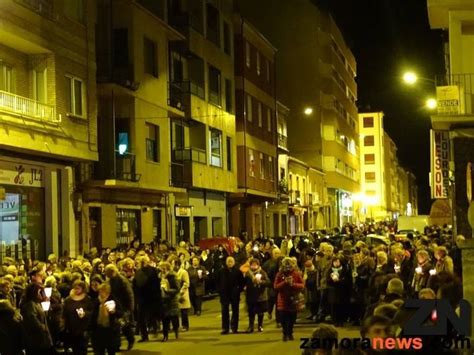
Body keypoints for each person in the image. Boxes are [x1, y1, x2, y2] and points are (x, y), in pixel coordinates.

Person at [105, 264, 135, 350]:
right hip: (114, 305)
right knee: (116, 326)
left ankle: (131, 340)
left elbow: (129, 294)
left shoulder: (122, 280)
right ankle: (116, 344)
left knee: (125, 325)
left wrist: (130, 308)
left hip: (123, 306)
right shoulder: (110, 280)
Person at [274, 257, 304, 341]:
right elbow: (275, 286)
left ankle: (290, 332)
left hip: (293, 298)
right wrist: (284, 282)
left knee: (292, 318)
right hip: (283, 298)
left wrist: (293, 284)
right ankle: (285, 333)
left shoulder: (296, 273)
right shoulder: (279, 274)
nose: (288, 268)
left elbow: (302, 285)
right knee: (283, 318)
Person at [133, 255, 161, 342]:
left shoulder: (152, 271)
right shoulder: (139, 272)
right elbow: (135, 284)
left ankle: (153, 330)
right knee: (142, 317)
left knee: (151, 315)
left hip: (150, 297)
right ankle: (145, 335)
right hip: (143, 297)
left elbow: (156, 284)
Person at [20, 283, 54, 355]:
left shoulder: (37, 303)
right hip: (37, 339)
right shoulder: (30, 304)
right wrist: (43, 327)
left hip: (41, 337)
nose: (41, 294)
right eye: (39, 292)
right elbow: (33, 320)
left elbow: (43, 316)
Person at [90, 283, 122, 355]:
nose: (101, 293)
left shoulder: (113, 300)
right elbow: (92, 315)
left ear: (107, 292)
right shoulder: (96, 301)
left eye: (103, 291)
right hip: (98, 329)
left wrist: (114, 312)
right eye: (100, 291)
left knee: (111, 350)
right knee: (99, 350)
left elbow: (120, 313)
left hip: (110, 329)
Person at [216, 256, 244, 334]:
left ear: (234, 262)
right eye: (228, 261)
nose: (230, 263)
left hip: (235, 294)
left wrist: (238, 290)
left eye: (231, 261)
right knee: (224, 311)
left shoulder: (238, 271)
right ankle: (225, 328)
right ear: (226, 262)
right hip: (224, 294)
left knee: (235, 311)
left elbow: (242, 282)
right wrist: (219, 290)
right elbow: (217, 281)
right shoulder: (221, 271)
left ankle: (234, 327)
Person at [63, 280, 92, 355]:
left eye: (78, 288)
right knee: (75, 348)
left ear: (83, 289)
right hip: (72, 328)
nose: (76, 290)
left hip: (83, 328)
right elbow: (65, 313)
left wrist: (85, 314)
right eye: (75, 288)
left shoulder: (87, 299)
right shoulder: (68, 300)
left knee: (82, 348)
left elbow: (92, 312)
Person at [243, 258, 270, 333]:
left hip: (260, 295)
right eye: (252, 265)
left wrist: (261, 282)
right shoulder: (248, 273)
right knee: (251, 312)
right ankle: (251, 326)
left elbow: (268, 282)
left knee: (260, 312)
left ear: (258, 265)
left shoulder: (262, 272)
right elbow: (244, 282)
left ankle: (260, 326)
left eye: (255, 265)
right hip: (251, 295)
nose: (254, 266)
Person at [159, 261, 180, 342]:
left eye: (162, 268)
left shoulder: (172, 276)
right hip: (163, 300)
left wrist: (167, 291)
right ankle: (165, 335)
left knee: (174, 318)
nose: (160, 269)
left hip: (171, 300)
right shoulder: (159, 276)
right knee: (164, 319)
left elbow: (177, 288)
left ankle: (176, 332)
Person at [174, 259, 191, 331]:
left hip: (183, 294)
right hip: (176, 294)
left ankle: (185, 326)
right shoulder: (174, 272)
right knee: (178, 311)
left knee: (184, 311)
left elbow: (187, 283)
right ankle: (177, 326)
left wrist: (181, 292)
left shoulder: (183, 272)